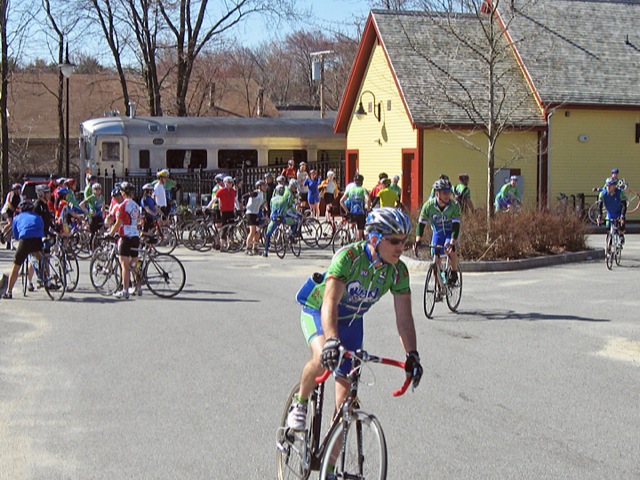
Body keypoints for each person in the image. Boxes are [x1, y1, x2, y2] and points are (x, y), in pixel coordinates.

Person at [286, 207, 423, 432]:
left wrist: (412, 355)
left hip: (352, 322)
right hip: (319, 311)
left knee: (345, 410)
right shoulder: (349, 258)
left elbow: (404, 318)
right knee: (321, 358)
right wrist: (331, 340)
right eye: (394, 241)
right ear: (374, 238)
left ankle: (329, 467)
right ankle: (300, 403)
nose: (400, 247)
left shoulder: (398, 271)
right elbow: (330, 302)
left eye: (404, 241)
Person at [415, 178, 462, 285]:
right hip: (438, 233)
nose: (447, 195)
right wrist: (418, 240)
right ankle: (440, 286)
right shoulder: (428, 206)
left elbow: (456, 225)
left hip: (451, 232)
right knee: (435, 260)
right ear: (437, 193)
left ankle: (454, 272)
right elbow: (421, 224)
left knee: (448, 248)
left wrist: (453, 241)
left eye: (449, 192)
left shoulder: (454, 206)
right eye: (444, 193)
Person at [2, 201, 45, 299]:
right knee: (40, 257)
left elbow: (16, 235)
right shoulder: (38, 216)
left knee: (16, 266)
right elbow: (41, 228)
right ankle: (44, 276)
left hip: (25, 240)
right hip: (37, 239)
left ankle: (9, 292)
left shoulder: (17, 218)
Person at [107, 182, 141, 299]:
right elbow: (140, 220)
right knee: (134, 262)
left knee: (124, 265)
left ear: (122, 192)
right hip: (135, 235)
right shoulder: (136, 205)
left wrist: (110, 233)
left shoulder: (123, 205)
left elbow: (118, 223)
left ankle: (125, 290)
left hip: (125, 236)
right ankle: (138, 286)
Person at [262, 179, 301, 257]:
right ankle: (291, 234)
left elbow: (270, 207)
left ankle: (265, 251)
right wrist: (297, 213)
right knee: (295, 222)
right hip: (283, 217)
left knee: (268, 234)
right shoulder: (286, 197)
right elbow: (290, 207)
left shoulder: (272, 200)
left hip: (274, 218)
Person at [597, 177, 627, 244]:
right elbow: (599, 206)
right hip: (610, 213)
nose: (608, 187)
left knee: (621, 224)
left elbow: (624, 206)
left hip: (619, 212)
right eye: (607, 185)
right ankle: (609, 247)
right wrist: (599, 216)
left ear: (614, 186)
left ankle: (621, 235)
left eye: (610, 186)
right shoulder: (603, 194)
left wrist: (622, 216)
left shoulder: (620, 193)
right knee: (608, 228)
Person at [340, 173, 370, 241]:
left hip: (352, 212)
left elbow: (341, 201)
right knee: (360, 232)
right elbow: (368, 200)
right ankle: (357, 245)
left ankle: (351, 236)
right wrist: (368, 209)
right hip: (361, 213)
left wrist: (347, 211)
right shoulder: (363, 190)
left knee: (351, 224)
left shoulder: (350, 190)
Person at [243, 180, 267, 255]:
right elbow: (245, 196)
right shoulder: (256, 193)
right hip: (250, 213)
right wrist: (250, 194)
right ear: (259, 186)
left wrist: (267, 210)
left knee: (258, 231)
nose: (265, 187)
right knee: (252, 231)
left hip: (256, 213)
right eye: (263, 185)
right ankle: (247, 248)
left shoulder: (262, 194)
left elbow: (264, 202)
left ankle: (255, 247)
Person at [2, 183, 22, 249]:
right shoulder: (11, 194)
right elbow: (8, 203)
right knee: (10, 223)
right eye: (18, 189)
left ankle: (8, 242)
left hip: (13, 212)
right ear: (15, 190)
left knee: (13, 226)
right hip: (7, 211)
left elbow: (20, 205)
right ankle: (2, 234)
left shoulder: (20, 197)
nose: (19, 191)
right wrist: (14, 210)